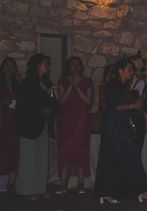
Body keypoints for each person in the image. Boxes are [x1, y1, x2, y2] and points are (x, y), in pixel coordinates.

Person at [94, 58, 147, 204]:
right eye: (129, 69)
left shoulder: (123, 85)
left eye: (132, 70)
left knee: (125, 156)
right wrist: (133, 106)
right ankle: (137, 190)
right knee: (116, 157)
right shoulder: (114, 85)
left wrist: (130, 117)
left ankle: (133, 190)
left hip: (120, 124)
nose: (132, 72)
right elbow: (112, 106)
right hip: (113, 125)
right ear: (121, 71)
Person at [13, 54, 58, 200]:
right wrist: (40, 109)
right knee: (29, 158)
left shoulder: (47, 82)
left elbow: (53, 103)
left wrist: (51, 104)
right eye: (46, 63)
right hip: (29, 125)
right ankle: (26, 189)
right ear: (37, 65)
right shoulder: (27, 82)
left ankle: (39, 188)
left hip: (43, 124)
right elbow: (25, 103)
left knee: (41, 157)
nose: (48, 66)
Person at [56, 56, 93, 194]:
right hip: (66, 121)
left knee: (81, 150)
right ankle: (63, 183)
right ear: (68, 67)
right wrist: (70, 85)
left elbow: (88, 102)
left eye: (78, 64)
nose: (76, 67)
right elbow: (61, 100)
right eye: (73, 64)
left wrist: (77, 87)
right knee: (65, 150)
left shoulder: (87, 82)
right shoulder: (62, 81)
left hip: (81, 121)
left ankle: (81, 183)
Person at [0, 57, 21, 194]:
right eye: (6, 65)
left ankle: (12, 183)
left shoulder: (17, 83)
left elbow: (24, 100)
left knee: (13, 151)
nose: (9, 68)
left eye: (12, 65)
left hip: (14, 121)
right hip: (2, 119)